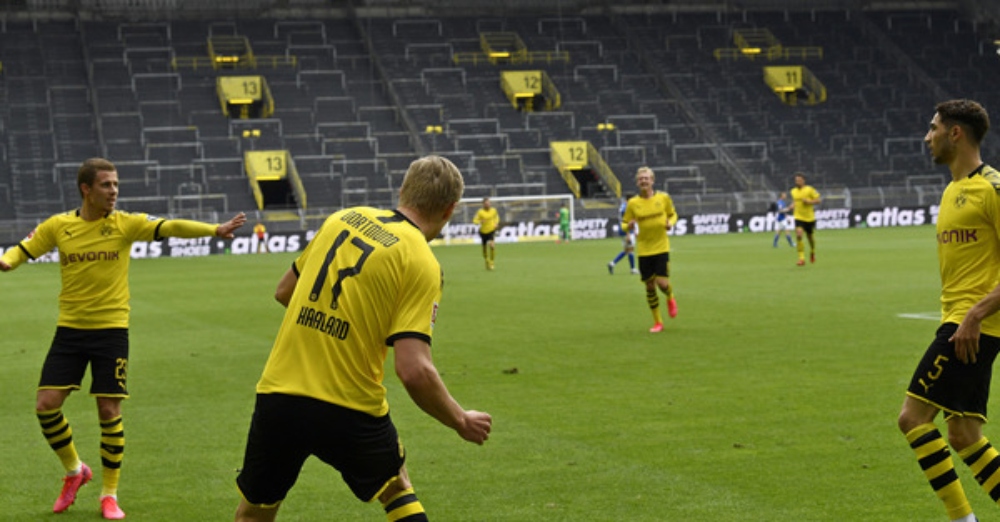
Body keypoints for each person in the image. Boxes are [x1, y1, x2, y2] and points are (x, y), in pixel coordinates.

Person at [234, 155, 492, 522]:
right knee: (396, 488)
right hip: (349, 404)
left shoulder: (343, 218)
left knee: (253, 513)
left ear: (403, 190)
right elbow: (414, 370)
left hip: (280, 394)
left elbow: (284, 292)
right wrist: (460, 420)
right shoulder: (421, 259)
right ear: (450, 210)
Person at [0, 157, 247, 519]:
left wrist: (214, 230)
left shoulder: (125, 224)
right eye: (106, 185)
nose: (114, 191)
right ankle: (74, 471)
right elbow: (23, 250)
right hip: (70, 330)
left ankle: (109, 495)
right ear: (86, 189)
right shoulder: (59, 226)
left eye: (116, 184)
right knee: (46, 404)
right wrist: (5, 262)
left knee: (108, 409)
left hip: (111, 331)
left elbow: (171, 226)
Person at [897, 99, 1000, 522]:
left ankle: (962, 520)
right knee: (963, 434)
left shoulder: (992, 188)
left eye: (934, 127)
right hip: (964, 322)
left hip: (974, 324)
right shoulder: (952, 190)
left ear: (955, 133)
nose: (927, 136)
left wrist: (975, 315)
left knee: (913, 418)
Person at [622, 167, 678, 333]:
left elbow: (673, 215)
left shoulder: (663, 198)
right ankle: (658, 322)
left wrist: (670, 224)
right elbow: (624, 223)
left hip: (661, 247)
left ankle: (670, 296)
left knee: (662, 283)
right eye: (641, 179)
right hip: (644, 249)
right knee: (649, 286)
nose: (644, 181)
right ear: (638, 182)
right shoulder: (633, 203)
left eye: (646, 178)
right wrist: (629, 226)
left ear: (652, 181)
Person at [788, 173, 821, 266]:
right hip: (798, 217)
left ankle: (812, 251)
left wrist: (809, 201)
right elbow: (796, 201)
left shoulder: (809, 189)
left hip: (809, 217)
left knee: (810, 238)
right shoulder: (793, 191)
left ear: (803, 180)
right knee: (799, 235)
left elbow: (818, 200)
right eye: (796, 180)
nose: (797, 182)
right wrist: (792, 205)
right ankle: (801, 258)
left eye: (799, 180)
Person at [608, 194, 637, 275]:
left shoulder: (623, 206)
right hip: (626, 230)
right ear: (629, 200)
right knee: (630, 249)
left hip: (623, 229)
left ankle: (612, 263)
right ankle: (633, 269)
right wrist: (628, 234)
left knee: (627, 250)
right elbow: (626, 221)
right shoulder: (627, 208)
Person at [472, 197, 499, 270]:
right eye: (486, 203)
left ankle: (492, 262)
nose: (487, 204)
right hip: (483, 232)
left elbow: (496, 217)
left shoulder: (493, 210)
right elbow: (474, 221)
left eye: (489, 203)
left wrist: (496, 223)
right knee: (484, 249)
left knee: (492, 245)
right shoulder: (480, 212)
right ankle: (487, 261)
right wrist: (480, 222)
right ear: (483, 204)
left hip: (491, 230)